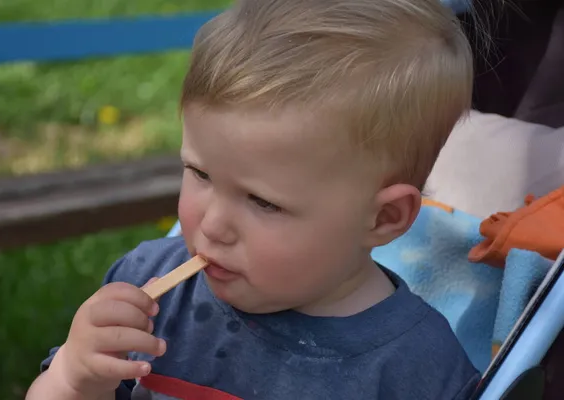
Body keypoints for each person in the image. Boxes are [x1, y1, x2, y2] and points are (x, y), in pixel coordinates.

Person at [26, 0, 480, 399]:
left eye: (264, 202)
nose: (213, 224)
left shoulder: (416, 369)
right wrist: (73, 379)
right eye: (200, 173)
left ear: (383, 217)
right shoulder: (146, 290)